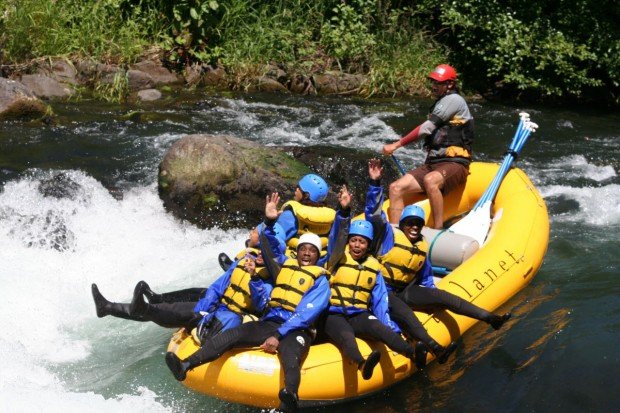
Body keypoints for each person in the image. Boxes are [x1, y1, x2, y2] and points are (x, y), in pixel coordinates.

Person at [165, 193, 331, 413]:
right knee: (232, 335)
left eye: (311, 251)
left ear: (317, 255)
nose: (307, 254)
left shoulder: (320, 280)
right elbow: (271, 244)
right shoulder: (285, 264)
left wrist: (279, 336)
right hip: (271, 322)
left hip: (297, 329)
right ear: (298, 252)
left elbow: (305, 314)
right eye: (303, 250)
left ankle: (290, 395)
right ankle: (185, 365)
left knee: (291, 357)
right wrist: (270, 221)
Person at [365, 158, 511, 362]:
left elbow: (425, 277)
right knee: (405, 314)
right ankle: (436, 349)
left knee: (443, 297)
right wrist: (375, 183)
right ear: (403, 224)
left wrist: (430, 296)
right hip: (383, 291)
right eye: (410, 223)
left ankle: (490, 318)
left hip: (406, 290)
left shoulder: (422, 245)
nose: (414, 227)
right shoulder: (388, 236)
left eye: (418, 224)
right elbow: (373, 213)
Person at [91, 224, 286, 341]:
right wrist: (204, 307)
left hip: (232, 319)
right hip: (216, 308)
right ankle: (108, 307)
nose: (259, 254)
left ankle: (119, 308)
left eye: (264, 253)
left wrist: (254, 278)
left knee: (166, 312)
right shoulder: (244, 261)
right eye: (259, 249)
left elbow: (261, 305)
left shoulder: (273, 280)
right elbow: (217, 287)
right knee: (177, 310)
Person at [322, 213, 422, 379]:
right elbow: (335, 238)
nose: (357, 245)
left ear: (368, 245)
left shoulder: (373, 267)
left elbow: (380, 300)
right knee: (346, 337)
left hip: (359, 313)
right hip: (334, 314)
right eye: (353, 240)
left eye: (362, 242)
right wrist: (344, 212)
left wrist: (390, 326)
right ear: (348, 242)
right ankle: (362, 365)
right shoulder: (336, 257)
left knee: (381, 329)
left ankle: (412, 353)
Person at [382, 64, 474, 229]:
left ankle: (437, 229)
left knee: (430, 180)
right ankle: (395, 234)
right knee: (395, 187)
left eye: (438, 83)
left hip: (456, 163)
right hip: (433, 163)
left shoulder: (454, 100)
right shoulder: (441, 102)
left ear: (450, 84)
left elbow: (426, 128)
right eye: (433, 82)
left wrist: (396, 145)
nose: (434, 86)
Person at [276, 173, 336, 256]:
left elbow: (274, 241)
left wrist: (272, 221)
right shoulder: (330, 220)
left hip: (292, 260)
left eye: (299, 188)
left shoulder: (290, 215)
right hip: (319, 261)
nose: (296, 189)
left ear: (306, 195)